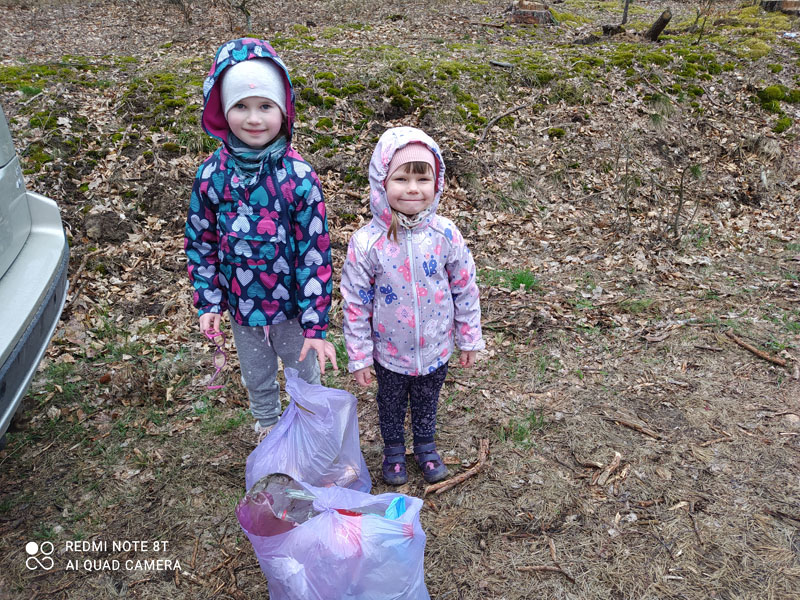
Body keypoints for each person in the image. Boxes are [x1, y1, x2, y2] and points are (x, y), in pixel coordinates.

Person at [185, 38, 337, 441]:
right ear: (223, 111)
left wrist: (315, 323)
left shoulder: (299, 177)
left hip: (292, 310)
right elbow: (200, 241)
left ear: (283, 111)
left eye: (265, 106)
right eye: (241, 106)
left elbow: (315, 253)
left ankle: (312, 431)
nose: (253, 119)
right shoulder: (212, 176)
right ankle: (268, 428)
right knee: (257, 376)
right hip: (243, 308)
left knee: (304, 374)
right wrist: (209, 300)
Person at [340, 127, 484, 485]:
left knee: (426, 400)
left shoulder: (445, 234)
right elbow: (355, 301)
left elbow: (465, 287)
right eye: (401, 178)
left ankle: (425, 446)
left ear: (437, 183)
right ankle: (393, 451)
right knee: (390, 402)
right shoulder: (367, 242)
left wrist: (468, 337)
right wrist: (360, 355)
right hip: (389, 350)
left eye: (423, 178)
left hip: (435, 346)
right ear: (382, 182)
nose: (413, 188)